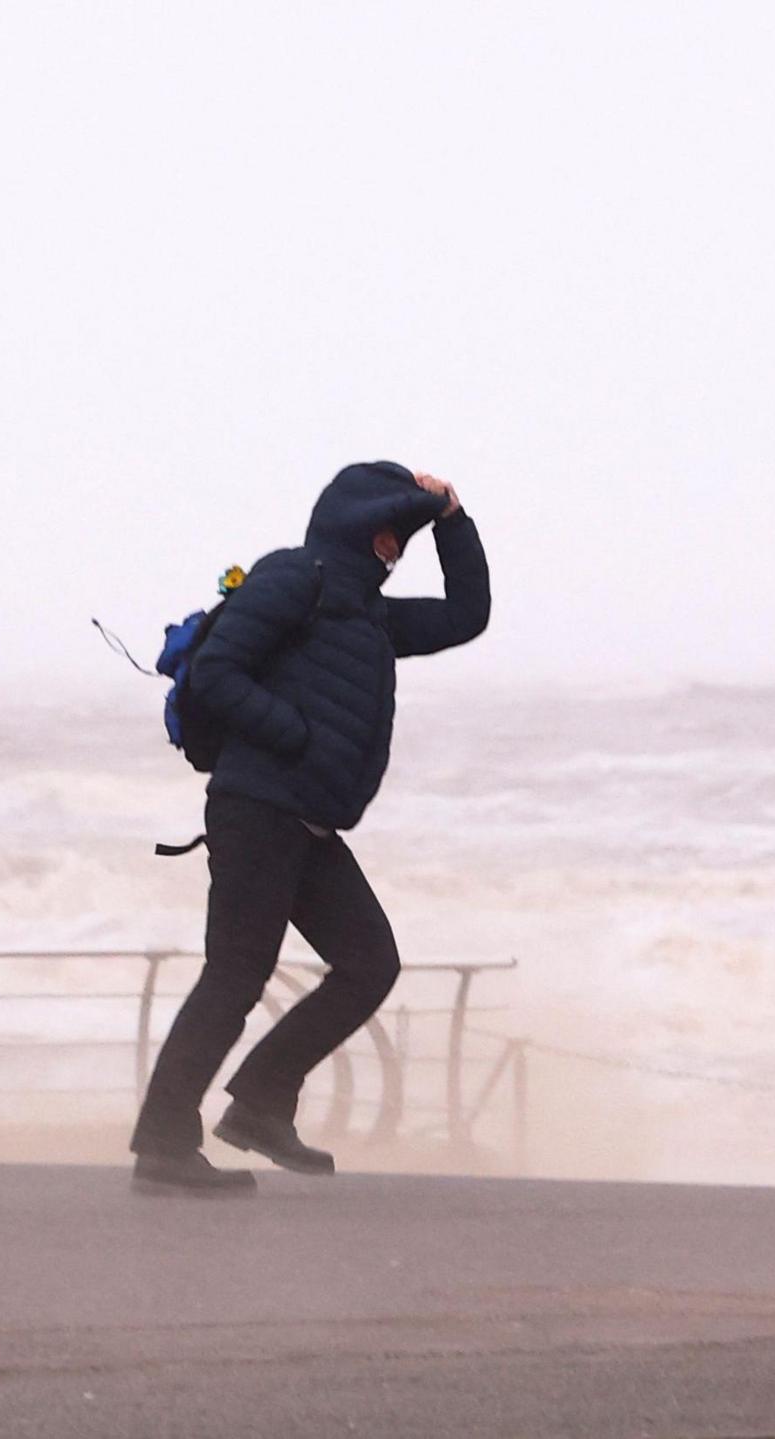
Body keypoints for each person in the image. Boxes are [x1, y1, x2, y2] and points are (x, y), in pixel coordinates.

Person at [130, 461, 490, 1195]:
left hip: (309, 823)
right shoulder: (297, 577)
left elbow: (466, 614)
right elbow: (217, 672)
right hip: (257, 808)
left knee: (369, 963)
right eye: (392, 536)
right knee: (235, 974)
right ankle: (163, 1145)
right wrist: (291, 736)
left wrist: (451, 519)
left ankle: (260, 1102)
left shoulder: (370, 616)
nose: (396, 552)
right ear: (364, 525)